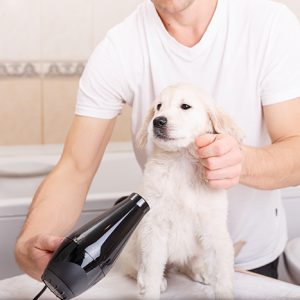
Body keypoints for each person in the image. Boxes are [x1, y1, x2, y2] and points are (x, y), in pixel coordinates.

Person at [15, 0, 300, 282]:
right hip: (162, 259)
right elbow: (75, 167)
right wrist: (30, 240)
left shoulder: (269, 25)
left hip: (252, 258)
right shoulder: (120, 47)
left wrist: (241, 163)